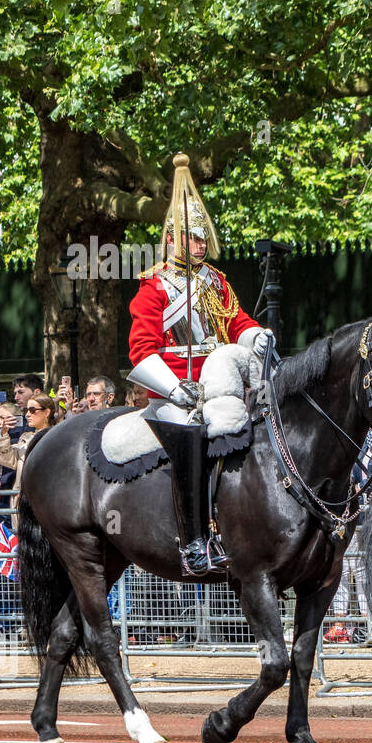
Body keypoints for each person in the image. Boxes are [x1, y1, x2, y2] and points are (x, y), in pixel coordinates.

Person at [126, 154, 275, 576]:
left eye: (205, 239)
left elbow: (236, 321)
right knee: (190, 436)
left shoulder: (216, 281)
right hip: (174, 390)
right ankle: (194, 541)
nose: (202, 246)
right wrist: (174, 389)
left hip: (223, 382)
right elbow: (140, 349)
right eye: (194, 239)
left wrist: (255, 335)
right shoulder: (153, 285)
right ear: (172, 239)